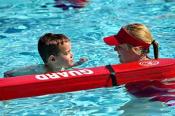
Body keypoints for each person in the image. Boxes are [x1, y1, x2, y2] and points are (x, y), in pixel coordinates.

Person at [4, 33, 87, 77]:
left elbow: (68, 66)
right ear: (53, 59)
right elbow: (8, 74)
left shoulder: (60, 66)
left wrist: (78, 63)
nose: (71, 54)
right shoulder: (38, 70)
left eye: (70, 51)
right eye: (66, 53)